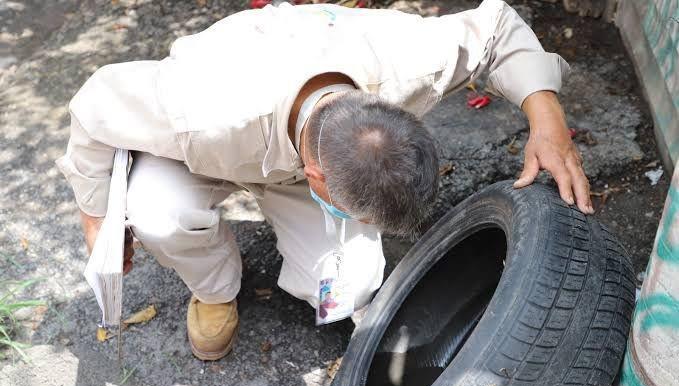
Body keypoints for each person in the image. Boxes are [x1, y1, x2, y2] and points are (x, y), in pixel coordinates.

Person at [56, 0, 592, 361]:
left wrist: (547, 120)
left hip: (303, 143)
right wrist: (95, 214)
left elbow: (497, 25)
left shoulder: (408, 62)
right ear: (317, 178)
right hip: (208, 150)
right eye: (351, 210)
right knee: (159, 215)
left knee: (353, 283)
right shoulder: (197, 110)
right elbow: (96, 103)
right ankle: (214, 288)